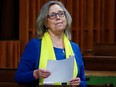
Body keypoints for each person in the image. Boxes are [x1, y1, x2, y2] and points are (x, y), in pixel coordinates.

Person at [15, 0, 86, 87]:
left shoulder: (75, 47)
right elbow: (19, 77)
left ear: (66, 18)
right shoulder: (35, 45)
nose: (58, 17)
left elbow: (83, 80)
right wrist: (36, 74)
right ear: (45, 23)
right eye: (52, 15)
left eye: (61, 13)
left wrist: (79, 83)